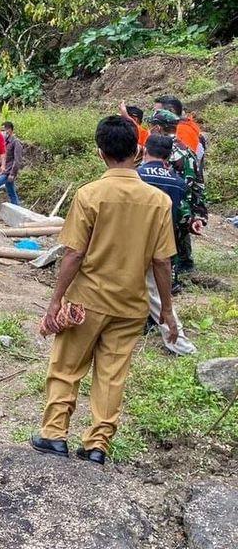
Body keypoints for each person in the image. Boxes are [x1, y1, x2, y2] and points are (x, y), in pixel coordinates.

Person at [31, 116, 177, 466]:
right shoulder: (158, 202)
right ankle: (97, 445)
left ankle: (53, 434)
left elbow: (74, 253)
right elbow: (161, 262)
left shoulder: (89, 194)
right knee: (112, 376)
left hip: (86, 301)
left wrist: (55, 301)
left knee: (67, 367)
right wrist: (167, 311)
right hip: (130, 306)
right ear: (138, 151)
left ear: (101, 153)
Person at [137, 135, 197, 355]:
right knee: (156, 293)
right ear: (168, 156)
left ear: (145, 151)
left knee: (151, 294)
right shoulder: (178, 182)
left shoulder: (136, 176)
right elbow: (181, 216)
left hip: (133, 242)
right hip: (162, 242)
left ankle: (181, 345)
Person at [147, 109, 206, 275]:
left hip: (164, 206)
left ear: (158, 128)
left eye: (151, 125)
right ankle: (183, 267)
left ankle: (171, 279)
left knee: (163, 249)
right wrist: (199, 214)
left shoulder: (159, 152)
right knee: (179, 239)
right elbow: (199, 185)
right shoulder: (188, 152)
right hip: (184, 207)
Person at [0, 121, 23, 214]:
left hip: (9, 172)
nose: (1, 132)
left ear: (9, 130)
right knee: (11, 191)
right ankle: (18, 210)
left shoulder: (16, 142)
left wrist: (12, 174)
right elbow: (4, 158)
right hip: (5, 170)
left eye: (3, 130)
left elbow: (17, 160)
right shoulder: (5, 143)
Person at [155, 95, 203, 166]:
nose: (155, 116)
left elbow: (184, 161)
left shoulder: (183, 130)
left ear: (171, 111)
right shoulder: (185, 125)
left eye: (158, 112)